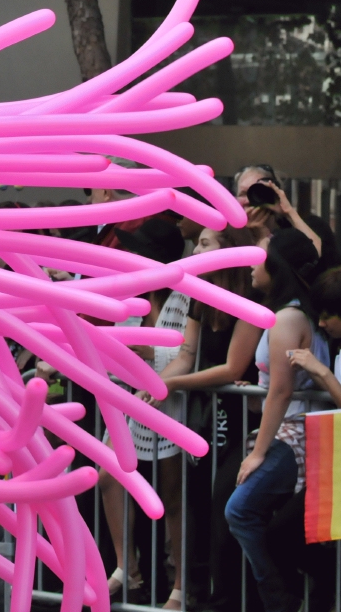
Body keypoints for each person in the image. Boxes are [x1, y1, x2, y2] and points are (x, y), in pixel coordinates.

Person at [153, 226, 260, 609]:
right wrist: (154, 385)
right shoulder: (200, 297)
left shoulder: (248, 297)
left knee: (223, 503)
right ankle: (198, 590)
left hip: (243, 421)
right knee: (198, 499)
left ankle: (232, 597)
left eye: (204, 243)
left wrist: (175, 384)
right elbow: (185, 352)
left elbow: (233, 368)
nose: (195, 249)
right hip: (206, 418)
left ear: (228, 251)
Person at [225, 227, 330, 612]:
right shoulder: (294, 314)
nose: (253, 260)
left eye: (262, 253)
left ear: (279, 264)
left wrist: (258, 454)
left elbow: (281, 393)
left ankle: (280, 599)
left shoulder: (287, 318)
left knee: (239, 510)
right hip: (292, 431)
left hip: (296, 433)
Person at [97, 218, 187, 604]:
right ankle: (125, 567)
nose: (130, 256)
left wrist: (152, 353)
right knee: (109, 477)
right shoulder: (136, 297)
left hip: (176, 403)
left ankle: (180, 586)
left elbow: (192, 354)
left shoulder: (184, 298)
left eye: (138, 251)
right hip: (134, 401)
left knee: (173, 494)